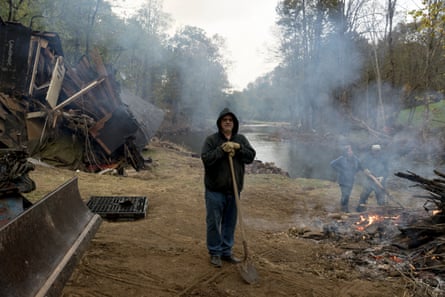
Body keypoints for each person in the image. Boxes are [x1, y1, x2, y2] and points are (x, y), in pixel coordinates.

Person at [201, 108, 256, 268]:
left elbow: (250, 157)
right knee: (214, 222)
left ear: (234, 123)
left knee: (229, 223)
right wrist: (221, 150)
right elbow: (206, 160)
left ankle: (226, 252)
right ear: (219, 123)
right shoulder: (211, 140)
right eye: (224, 120)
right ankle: (215, 252)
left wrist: (238, 148)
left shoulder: (241, 139)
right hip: (214, 190)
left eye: (230, 120)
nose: (227, 122)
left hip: (234, 190)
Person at [356, 144, 389, 212]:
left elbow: (387, 170)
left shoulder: (384, 159)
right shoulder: (367, 157)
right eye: (375, 151)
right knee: (364, 196)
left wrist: (382, 177)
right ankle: (360, 210)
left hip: (380, 182)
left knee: (381, 198)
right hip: (369, 180)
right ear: (372, 150)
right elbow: (360, 164)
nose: (376, 152)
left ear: (380, 151)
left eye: (378, 151)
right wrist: (364, 169)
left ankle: (382, 211)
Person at [330, 145, 362, 213]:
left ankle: (344, 207)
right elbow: (332, 164)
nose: (350, 152)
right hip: (343, 179)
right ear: (346, 152)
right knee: (345, 194)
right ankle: (344, 208)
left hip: (351, 180)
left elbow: (360, 166)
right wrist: (340, 170)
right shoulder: (341, 158)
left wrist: (355, 172)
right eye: (349, 150)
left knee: (348, 194)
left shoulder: (355, 159)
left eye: (351, 150)